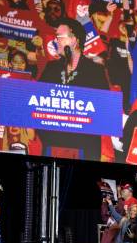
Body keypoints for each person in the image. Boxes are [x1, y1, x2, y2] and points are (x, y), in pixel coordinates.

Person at [38, 18, 109, 160]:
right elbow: (37, 103)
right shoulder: (51, 68)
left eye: (59, 37)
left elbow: (104, 108)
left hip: (84, 146)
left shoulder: (94, 70)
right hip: (53, 143)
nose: (55, 40)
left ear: (74, 40)